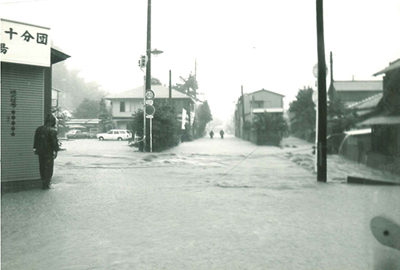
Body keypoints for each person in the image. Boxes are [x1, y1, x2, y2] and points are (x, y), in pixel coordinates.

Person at [33, 114, 60, 189]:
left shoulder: (39, 129)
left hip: (40, 150)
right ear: (53, 122)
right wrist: (56, 151)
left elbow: (36, 140)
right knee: (48, 167)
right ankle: (47, 183)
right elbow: (54, 142)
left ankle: (43, 182)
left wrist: (35, 148)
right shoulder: (52, 130)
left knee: (42, 166)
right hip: (48, 151)